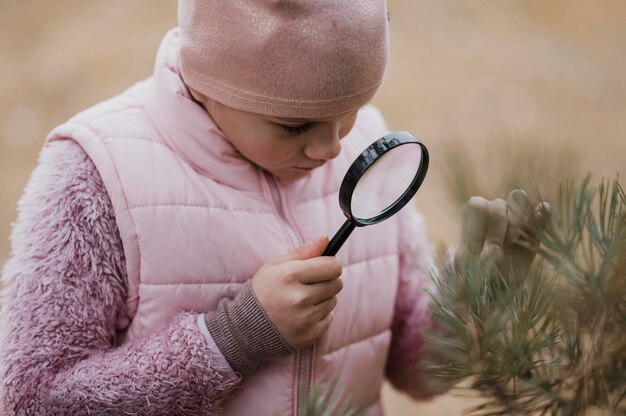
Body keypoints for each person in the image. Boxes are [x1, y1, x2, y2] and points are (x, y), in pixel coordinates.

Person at [0, 1, 549, 415]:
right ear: (208, 79)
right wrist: (235, 338)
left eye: (350, 110)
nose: (332, 148)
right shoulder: (97, 173)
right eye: (295, 125)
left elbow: (415, 372)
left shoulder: (369, 151)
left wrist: (478, 293)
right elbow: (28, 397)